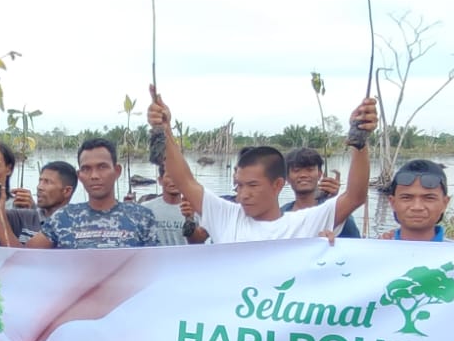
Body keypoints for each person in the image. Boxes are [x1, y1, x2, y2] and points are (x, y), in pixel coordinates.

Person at [150, 92, 377, 242]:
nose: (243, 195)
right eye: (239, 185)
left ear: (278, 185)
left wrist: (359, 137)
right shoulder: (226, 216)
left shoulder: (304, 223)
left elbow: (355, 197)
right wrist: (165, 129)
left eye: (252, 185)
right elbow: (185, 181)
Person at [18, 139, 158, 249]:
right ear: (80, 176)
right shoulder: (63, 217)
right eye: (86, 169)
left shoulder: (142, 217)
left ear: (117, 171)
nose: (94, 175)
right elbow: (24, 257)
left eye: (102, 167)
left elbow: (156, 266)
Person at [282, 148, 360, 238]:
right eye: (296, 170)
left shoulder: (333, 210)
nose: (303, 175)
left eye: (310, 170)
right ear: (287, 177)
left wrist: (334, 201)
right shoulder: (281, 215)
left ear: (320, 174)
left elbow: (356, 242)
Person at [379, 159, 451, 241]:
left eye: (429, 198)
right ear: (392, 202)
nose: (417, 207)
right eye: (406, 198)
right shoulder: (373, 250)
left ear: (445, 203)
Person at [141, 165, 208, 246]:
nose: (174, 181)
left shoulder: (196, 209)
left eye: (177, 177)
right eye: (169, 177)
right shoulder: (145, 209)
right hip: (157, 258)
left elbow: (199, 242)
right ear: (160, 180)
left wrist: (190, 218)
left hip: (184, 257)